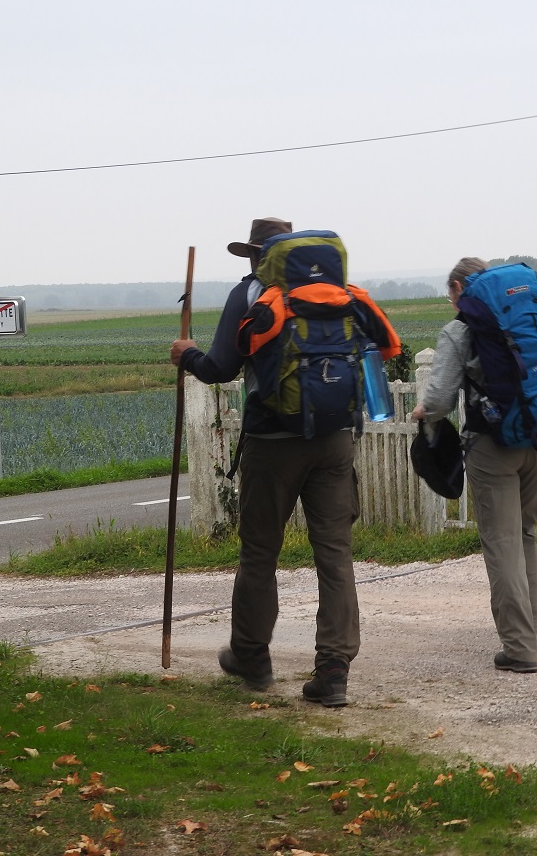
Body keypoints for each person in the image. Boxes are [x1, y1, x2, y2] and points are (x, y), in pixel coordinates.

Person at [169, 217, 359, 707]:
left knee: (260, 552)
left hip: (273, 441)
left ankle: (252, 656)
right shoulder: (335, 291)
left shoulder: (250, 293)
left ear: (258, 254)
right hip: (336, 438)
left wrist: (186, 355)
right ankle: (333, 670)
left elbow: (221, 367)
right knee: (334, 555)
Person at [410, 256, 537, 674]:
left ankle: (520, 648)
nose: (449, 300)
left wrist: (421, 413)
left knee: (502, 542)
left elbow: (439, 400)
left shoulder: (460, 331)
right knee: (526, 533)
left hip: (494, 449)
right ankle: (535, 630)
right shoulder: (528, 315)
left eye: (449, 292)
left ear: (459, 288)